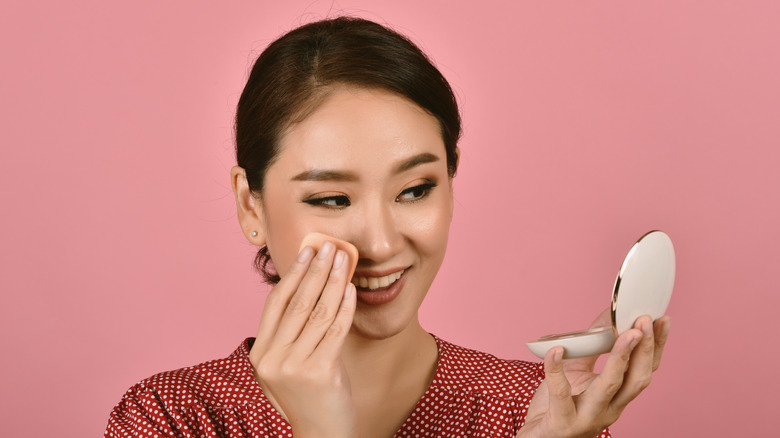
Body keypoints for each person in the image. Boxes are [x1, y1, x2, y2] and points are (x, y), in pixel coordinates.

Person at [104, 16, 670, 438]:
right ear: (251, 206)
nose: (378, 244)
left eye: (414, 190)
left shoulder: (534, 410)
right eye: (330, 198)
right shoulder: (170, 417)